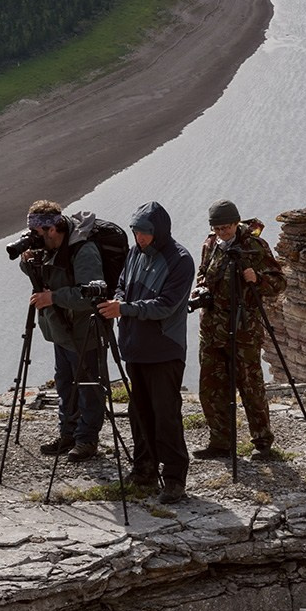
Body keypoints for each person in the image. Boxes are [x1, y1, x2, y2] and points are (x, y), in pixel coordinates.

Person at [98, 201, 195, 503]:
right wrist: (118, 300)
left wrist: (123, 308)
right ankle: (144, 469)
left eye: (145, 233)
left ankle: (175, 478)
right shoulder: (134, 254)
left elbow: (167, 305)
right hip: (135, 347)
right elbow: (122, 285)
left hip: (165, 350)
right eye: (136, 232)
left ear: (160, 231)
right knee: (138, 413)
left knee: (166, 415)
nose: (139, 238)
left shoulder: (180, 260)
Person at [192, 199, 286, 462]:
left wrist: (258, 279)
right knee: (211, 388)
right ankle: (220, 442)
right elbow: (202, 273)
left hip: (244, 330)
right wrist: (200, 289)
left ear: (236, 223)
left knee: (250, 387)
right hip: (211, 329)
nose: (221, 233)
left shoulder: (254, 246)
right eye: (217, 228)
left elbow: (280, 282)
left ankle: (263, 443)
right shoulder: (210, 244)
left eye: (226, 228)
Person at [19, 200, 106, 462]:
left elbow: (91, 294)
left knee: (89, 386)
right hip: (62, 331)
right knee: (65, 384)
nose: (36, 239)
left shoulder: (83, 250)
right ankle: (68, 434)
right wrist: (27, 262)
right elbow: (41, 275)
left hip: (85, 331)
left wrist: (53, 298)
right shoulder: (47, 247)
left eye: (39, 233)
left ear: (53, 229)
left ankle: (87, 440)